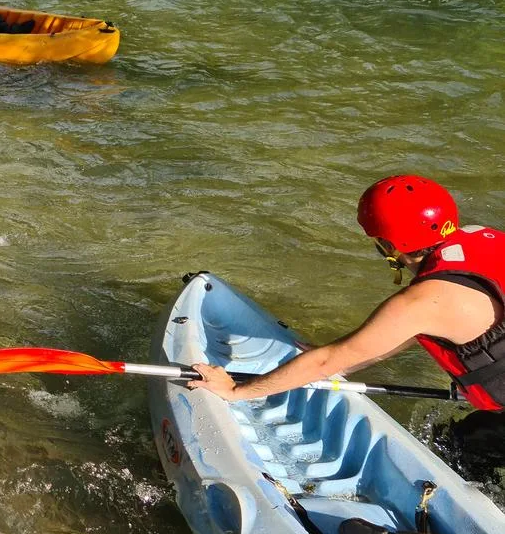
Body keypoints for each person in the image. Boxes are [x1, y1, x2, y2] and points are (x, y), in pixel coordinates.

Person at [190, 177, 505, 443]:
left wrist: (234, 390)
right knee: (466, 437)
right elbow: (431, 322)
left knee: (457, 446)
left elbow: (324, 363)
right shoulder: (486, 238)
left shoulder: (419, 303)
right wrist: (349, 359)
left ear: (391, 247)